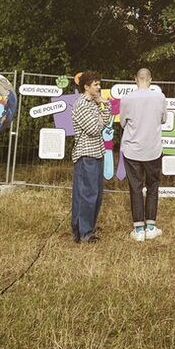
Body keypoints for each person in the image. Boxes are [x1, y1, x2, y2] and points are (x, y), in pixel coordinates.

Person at [119, 68, 166, 241]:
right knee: (153, 186)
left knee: (135, 187)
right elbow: (164, 119)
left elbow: (123, 122)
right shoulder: (160, 98)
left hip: (133, 150)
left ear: (135, 79)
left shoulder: (127, 99)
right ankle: (151, 227)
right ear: (150, 80)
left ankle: (138, 229)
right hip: (153, 149)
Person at [71, 71, 107, 243]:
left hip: (97, 152)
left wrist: (104, 107)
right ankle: (83, 232)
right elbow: (93, 130)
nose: (99, 87)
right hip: (86, 154)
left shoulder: (94, 103)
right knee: (87, 194)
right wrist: (99, 121)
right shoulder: (82, 105)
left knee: (96, 193)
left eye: (99, 84)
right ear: (86, 87)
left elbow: (104, 122)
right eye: (96, 84)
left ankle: (87, 227)